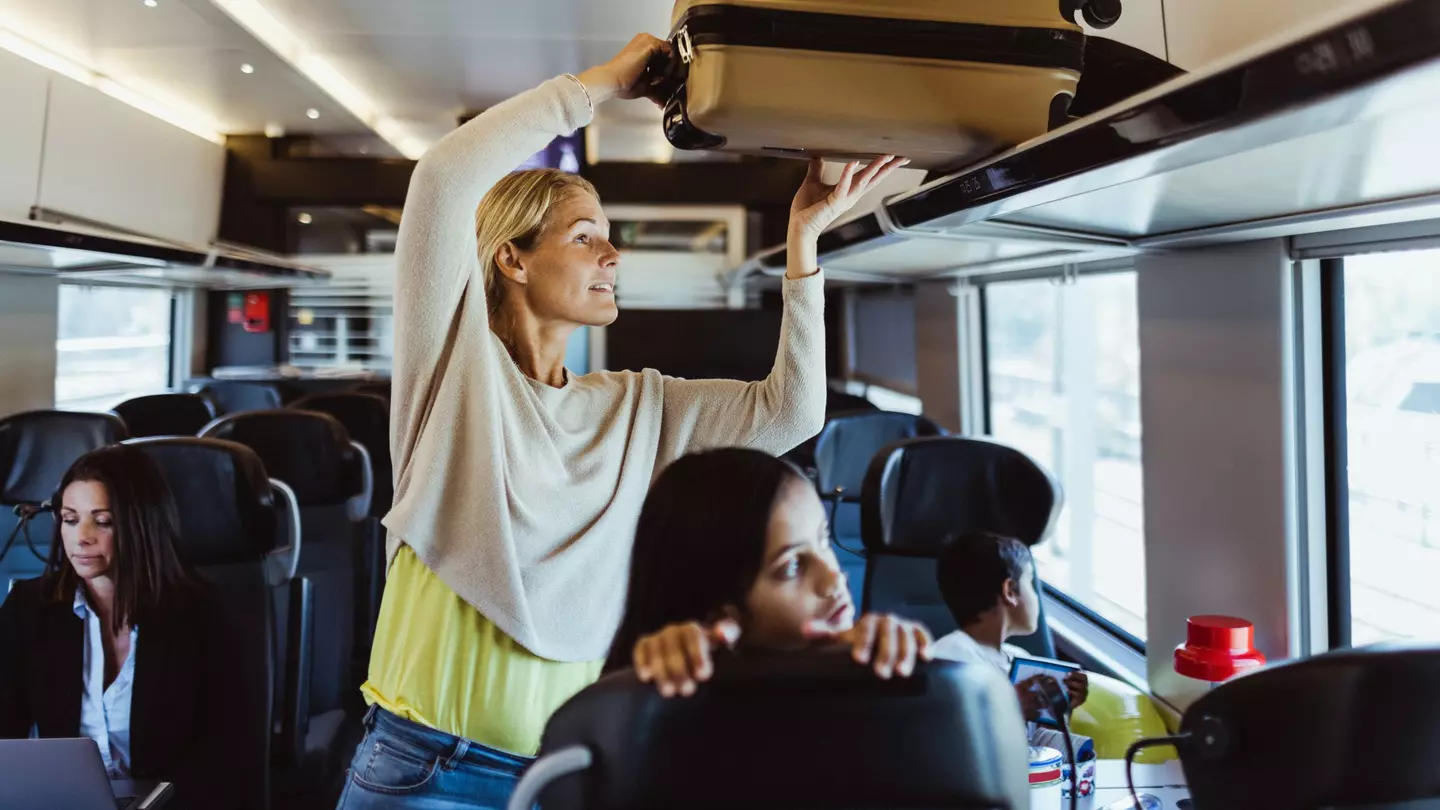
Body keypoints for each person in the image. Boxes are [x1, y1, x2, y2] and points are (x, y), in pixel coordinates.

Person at [341, 31, 907, 810]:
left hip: (564, 774)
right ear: (513, 258)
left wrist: (804, 242)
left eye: (608, 236)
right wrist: (599, 84)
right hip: (421, 771)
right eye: (584, 237)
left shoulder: (640, 407)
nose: (612, 254)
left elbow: (791, 413)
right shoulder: (454, 378)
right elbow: (442, 178)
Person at [0, 445, 244, 810]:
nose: (81, 536)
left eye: (102, 521)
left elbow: (225, 759)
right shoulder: (29, 608)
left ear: (140, 524)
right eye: (69, 518)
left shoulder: (200, 615)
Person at [605, 448, 933, 695]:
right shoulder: (649, 716)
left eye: (823, 540)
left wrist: (894, 668)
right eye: (792, 566)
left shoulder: (865, 680)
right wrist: (652, 676)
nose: (835, 578)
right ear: (717, 617)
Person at [933, 531, 1089, 722]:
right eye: (1030, 583)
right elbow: (949, 732)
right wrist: (1013, 708)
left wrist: (1060, 709)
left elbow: (1036, 744)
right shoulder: (950, 657)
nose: (1035, 597)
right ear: (1010, 591)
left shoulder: (1019, 658)